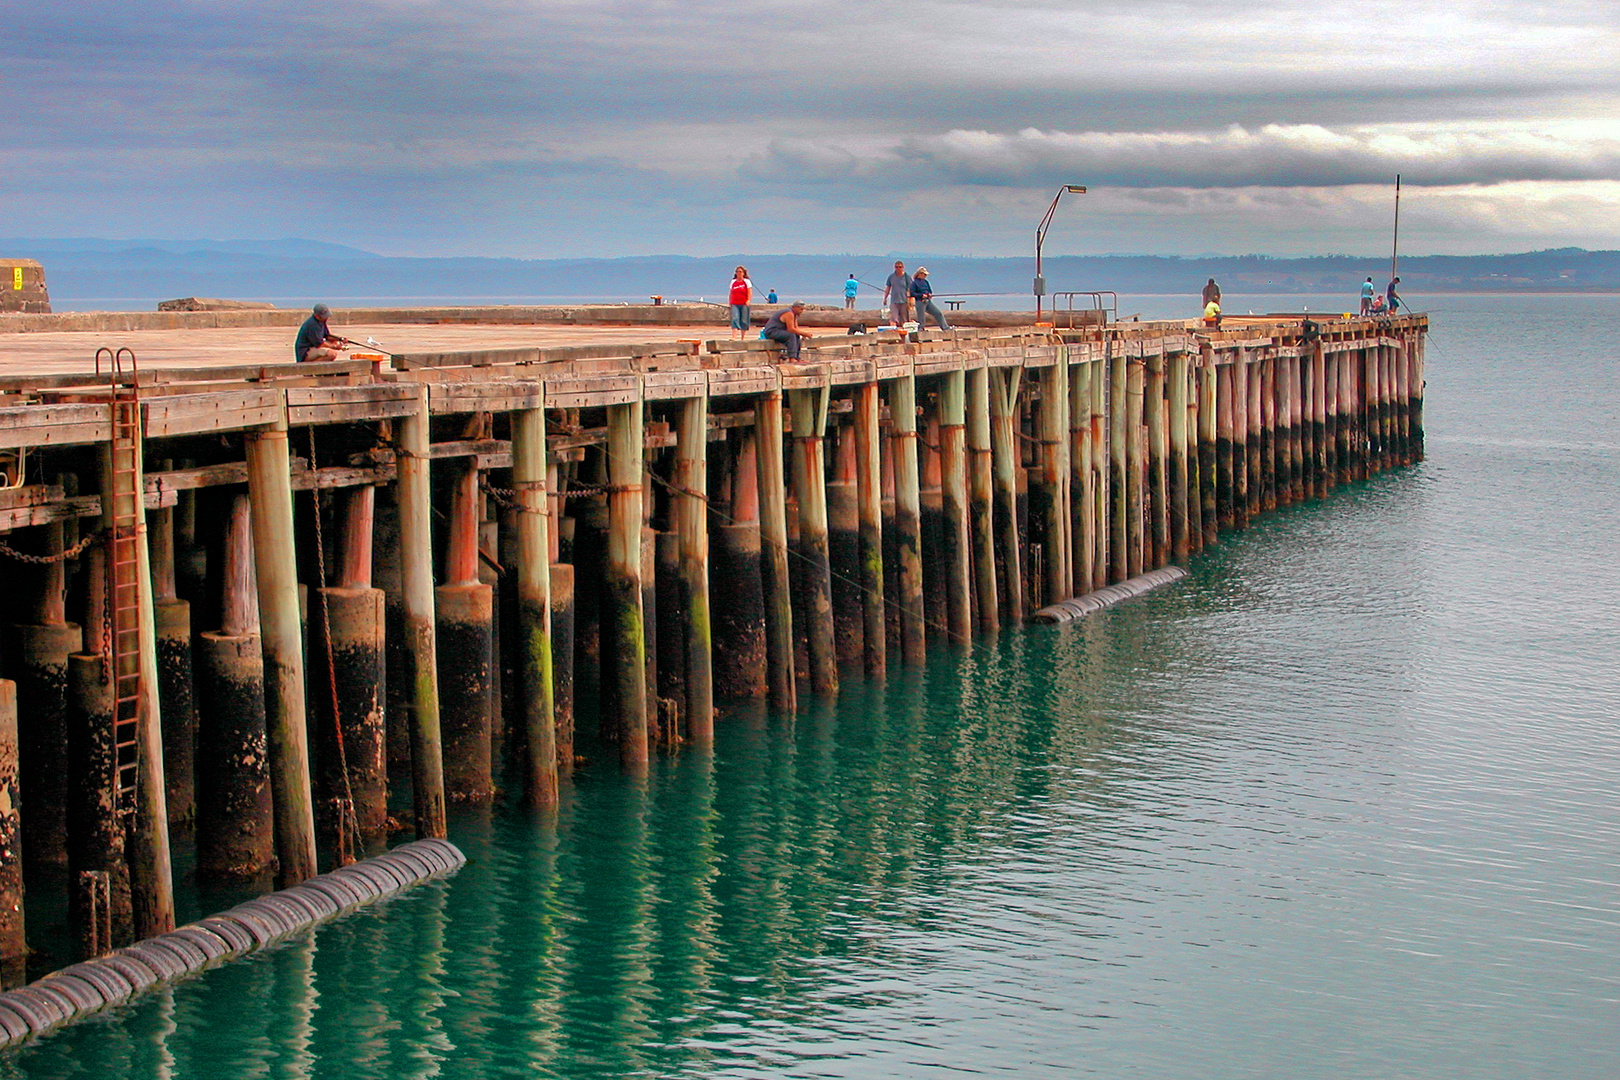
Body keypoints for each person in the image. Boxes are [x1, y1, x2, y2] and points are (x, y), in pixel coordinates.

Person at [882, 260, 912, 326]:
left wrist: (910, 301)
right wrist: (885, 298)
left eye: (900, 267)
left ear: (903, 267)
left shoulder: (907, 277)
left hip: (904, 301)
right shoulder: (891, 277)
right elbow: (888, 288)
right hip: (894, 301)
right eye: (897, 267)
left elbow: (911, 289)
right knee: (893, 319)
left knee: (904, 320)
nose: (898, 268)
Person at [728, 265, 754, 340]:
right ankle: (734, 336)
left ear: (743, 273)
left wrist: (748, 300)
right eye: (737, 272)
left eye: (740, 272)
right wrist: (730, 302)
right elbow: (731, 292)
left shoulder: (746, 281)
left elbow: (749, 291)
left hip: (744, 304)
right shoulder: (733, 282)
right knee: (735, 318)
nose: (739, 273)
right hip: (734, 303)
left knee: (744, 320)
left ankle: (743, 337)